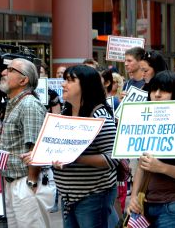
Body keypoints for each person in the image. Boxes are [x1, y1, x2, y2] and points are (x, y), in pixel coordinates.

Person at [127, 70, 175, 228]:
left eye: (164, 90)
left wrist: (161, 167)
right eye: (154, 90)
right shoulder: (145, 123)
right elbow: (143, 164)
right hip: (145, 204)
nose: (157, 94)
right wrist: (134, 197)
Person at [50, 65, 118, 228]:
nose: (63, 85)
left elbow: (112, 158)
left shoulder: (100, 117)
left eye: (70, 80)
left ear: (86, 85)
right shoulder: (65, 113)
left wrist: (75, 158)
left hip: (92, 197)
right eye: (65, 80)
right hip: (68, 197)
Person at [0, 58, 55, 227]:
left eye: (10, 70)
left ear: (24, 80)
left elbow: (36, 148)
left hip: (27, 182)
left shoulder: (29, 104)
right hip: (14, 182)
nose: (3, 73)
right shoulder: (14, 103)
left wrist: (31, 183)